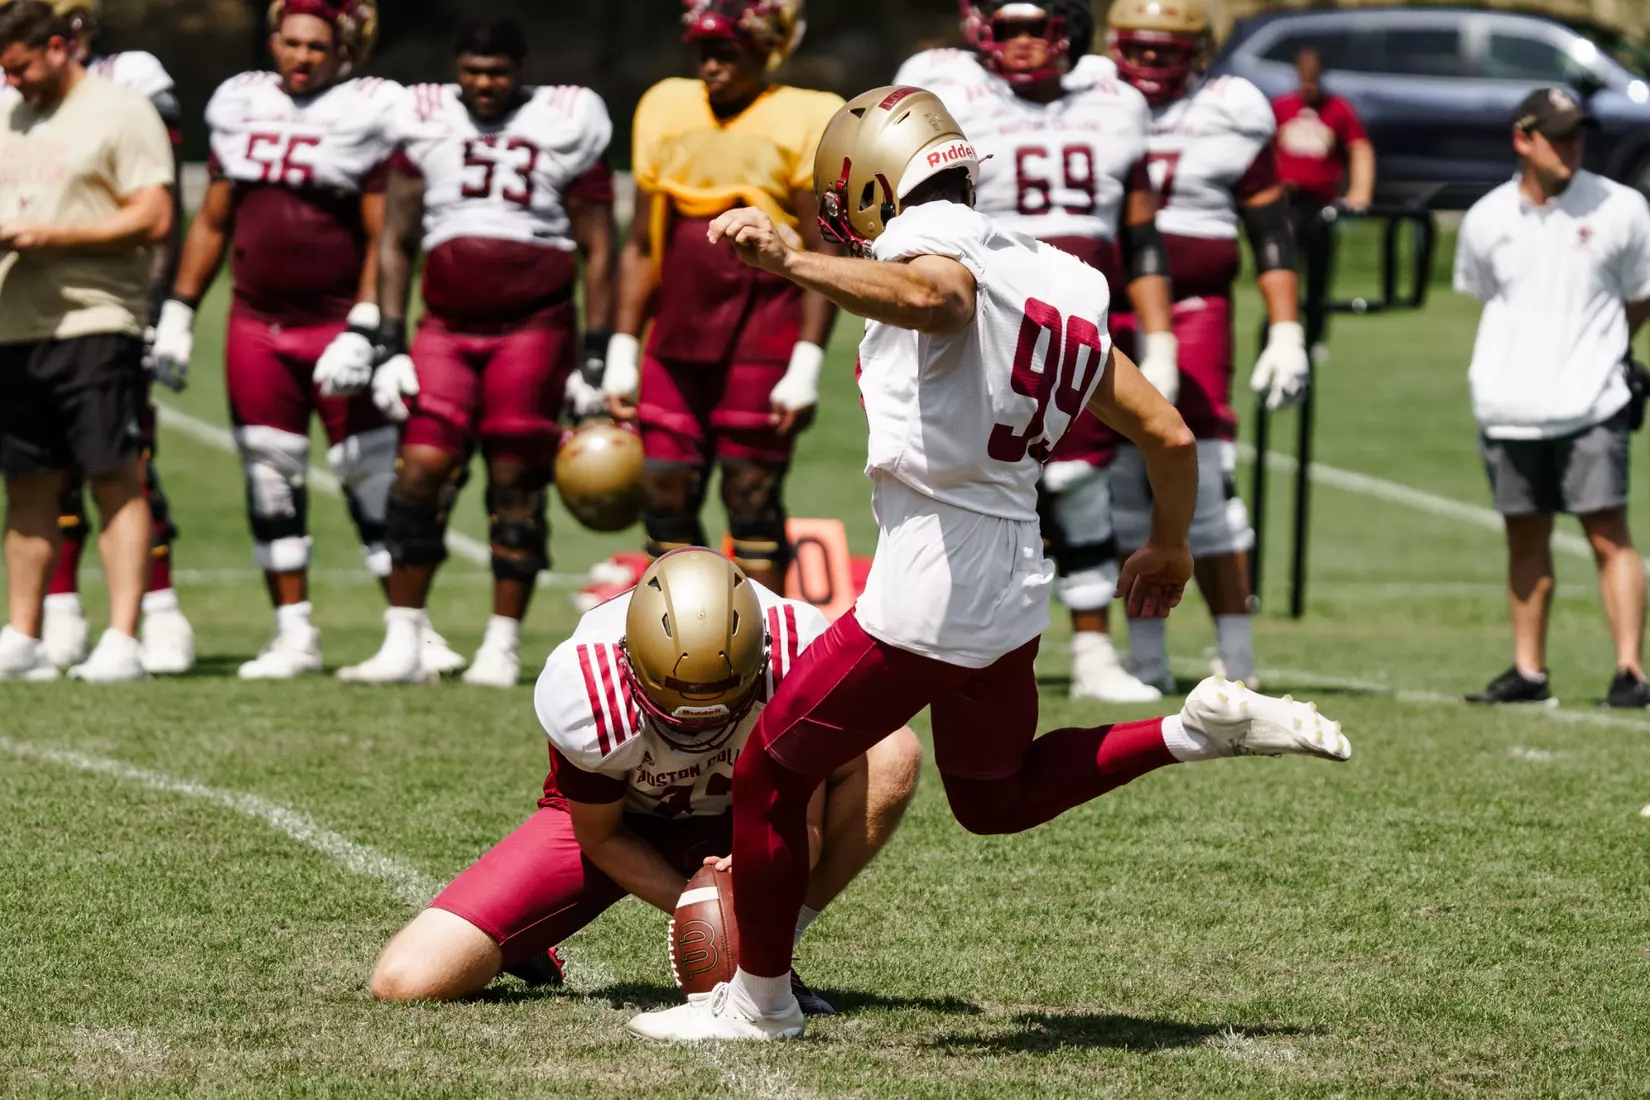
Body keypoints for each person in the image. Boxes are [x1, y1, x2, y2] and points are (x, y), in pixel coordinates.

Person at [625, 85, 1352, 1042]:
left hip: (938, 566)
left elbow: (939, 298)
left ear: (875, 185)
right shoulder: (1054, 275)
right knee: (992, 797)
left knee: (768, 773)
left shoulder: (932, 249)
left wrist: (791, 260)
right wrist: (1170, 541)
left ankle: (759, 1006)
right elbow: (1169, 436)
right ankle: (1193, 732)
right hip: (1013, 568)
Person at [370, 549, 922, 1013]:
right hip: (621, 823)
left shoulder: (797, 653)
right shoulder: (588, 686)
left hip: (747, 811)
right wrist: (708, 912)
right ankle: (533, 940)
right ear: (630, 660)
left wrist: (757, 913)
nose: (699, 731)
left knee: (892, 752)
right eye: (677, 713)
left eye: (723, 706)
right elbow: (601, 836)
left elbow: (805, 823)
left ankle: (774, 954)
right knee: (407, 980)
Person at [149, 0, 461, 679]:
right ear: (273, 42)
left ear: (344, 50)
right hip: (257, 323)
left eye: (316, 47)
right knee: (269, 478)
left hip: (336, 322)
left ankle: (411, 630)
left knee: (370, 471)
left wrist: (369, 323)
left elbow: (385, 233)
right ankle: (293, 634)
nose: (301, 57)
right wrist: (179, 308)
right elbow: (214, 219)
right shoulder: (242, 102)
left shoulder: (368, 109)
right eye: (290, 43)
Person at [895, 0, 1171, 704]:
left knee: (1078, 485)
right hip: (985, 312)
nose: (1021, 43)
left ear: (1065, 30)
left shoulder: (1114, 99)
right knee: (964, 478)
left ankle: (1093, 651)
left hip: (1070, 310)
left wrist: (1161, 334)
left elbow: (1141, 236)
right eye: (1007, 27)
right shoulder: (945, 85)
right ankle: (940, 643)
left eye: (1035, 27)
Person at [339, 18, 615, 687]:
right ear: (455, 67)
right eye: (472, 70)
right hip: (445, 328)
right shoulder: (424, 119)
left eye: (496, 72)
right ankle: (403, 637)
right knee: (420, 471)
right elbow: (396, 238)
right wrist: (389, 340)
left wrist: (597, 354)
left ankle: (502, 643)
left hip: (534, 326)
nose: (484, 84)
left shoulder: (566, 118)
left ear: (520, 70)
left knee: (516, 479)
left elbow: (600, 247)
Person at [600, 0, 842, 594]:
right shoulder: (665, 105)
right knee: (663, 487)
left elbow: (824, 249)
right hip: (679, 326)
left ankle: (768, 635)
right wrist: (622, 347)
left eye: (727, 53)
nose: (712, 66)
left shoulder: (808, 115)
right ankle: (684, 628)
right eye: (705, 53)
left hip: (765, 325)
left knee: (750, 491)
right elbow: (642, 245)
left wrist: (806, 362)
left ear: (765, 50)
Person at [1105, 0, 1311, 693]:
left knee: (1212, 481)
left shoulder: (1231, 108)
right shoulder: (1089, 103)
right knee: (1119, 484)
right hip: (1105, 305)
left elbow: (1271, 232)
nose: (1151, 62)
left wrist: (1287, 328)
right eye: (1140, 47)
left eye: (1167, 50)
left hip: (1197, 306)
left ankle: (1237, 657)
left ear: (1197, 52)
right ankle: (1146, 656)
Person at [1456, 87, 1650, 709]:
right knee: (1524, 536)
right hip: (1508, 403)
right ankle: (1528, 671)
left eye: (1577, 134)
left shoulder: (1623, 207)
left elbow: (1641, 294)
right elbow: (1486, 294)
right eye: (1558, 135)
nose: (1571, 146)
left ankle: (1630, 670)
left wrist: (1605, 348)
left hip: (1592, 398)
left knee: (1608, 533)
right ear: (1523, 139)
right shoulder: (1486, 217)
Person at [0, 0, 172, 682]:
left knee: (113, 475)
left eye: (21, 68)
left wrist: (52, 236)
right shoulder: (9, 113)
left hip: (94, 320)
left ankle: (123, 638)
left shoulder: (121, 111)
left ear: (58, 46)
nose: (14, 82)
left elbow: (153, 214)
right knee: (26, 483)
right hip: (15, 324)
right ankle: (22, 635)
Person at [1271, 47, 1374, 220]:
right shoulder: (1280, 108)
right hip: (1286, 193)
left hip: (1323, 196)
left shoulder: (1338, 109)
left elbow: (1360, 148)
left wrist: (1360, 191)